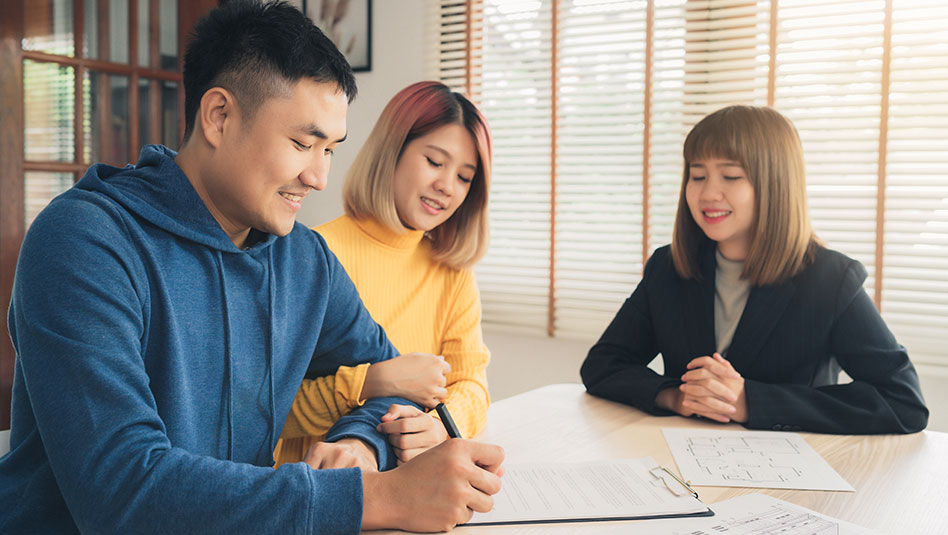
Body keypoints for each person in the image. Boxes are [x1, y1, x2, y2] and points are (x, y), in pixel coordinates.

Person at [0, 2, 503, 533]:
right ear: (219, 116)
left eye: (330, 150)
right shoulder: (85, 241)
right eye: (303, 143)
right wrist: (373, 497)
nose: (318, 177)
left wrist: (358, 443)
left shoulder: (303, 259)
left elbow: (395, 381)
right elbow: (121, 491)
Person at [580, 105, 928, 435]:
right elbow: (603, 365)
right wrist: (673, 396)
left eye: (730, 176)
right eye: (697, 175)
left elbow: (902, 402)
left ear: (774, 186)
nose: (707, 193)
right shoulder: (668, 267)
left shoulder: (830, 278)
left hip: (792, 474)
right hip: (684, 462)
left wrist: (750, 402)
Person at [273, 81, 492, 466]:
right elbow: (269, 409)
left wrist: (442, 426)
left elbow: (472, 383)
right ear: (392, 152)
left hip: (408, 481)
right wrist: (368, 383)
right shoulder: (311, 255)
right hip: (312, 483)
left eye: (464, 177)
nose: (446, 187)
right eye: (435, 162)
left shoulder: (452, 273)